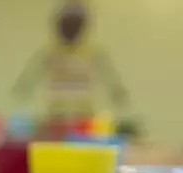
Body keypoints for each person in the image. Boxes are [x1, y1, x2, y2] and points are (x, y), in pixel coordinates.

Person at [13, 0, 127, 135]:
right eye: (65, 25)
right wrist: (24, 85)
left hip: (84, 116)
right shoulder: (50, 51)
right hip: (56, 116)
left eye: (75, 25)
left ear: (82, 27)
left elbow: (109, 73)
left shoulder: (93, 52)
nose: (70, 30)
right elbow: (32, 71)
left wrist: (116, 90)